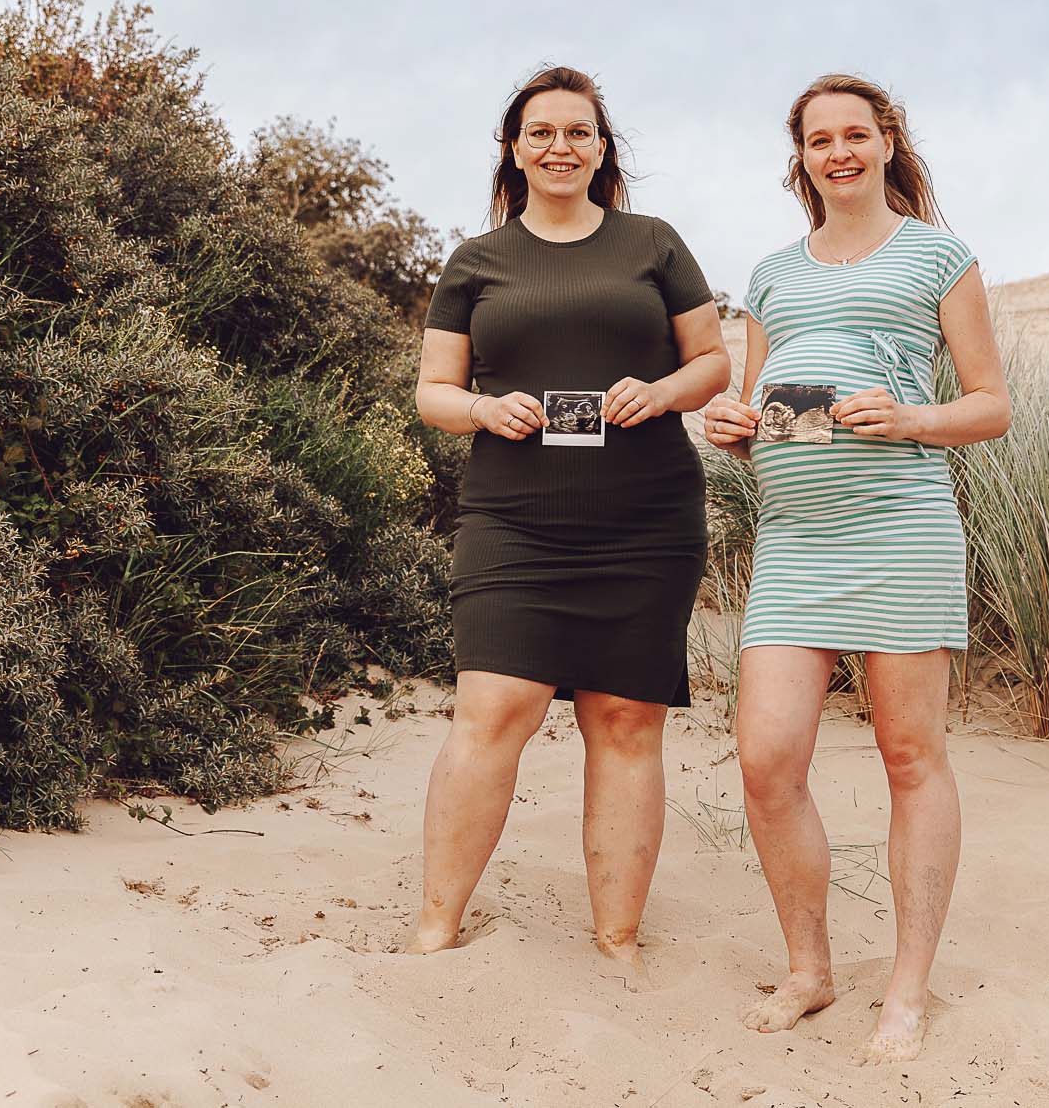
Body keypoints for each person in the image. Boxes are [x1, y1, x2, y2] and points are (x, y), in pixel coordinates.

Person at [700, 74, 1011, 1064]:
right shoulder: (771, 276)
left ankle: (907, 990)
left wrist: (913, 418)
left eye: (853, 135)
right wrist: (730, 426)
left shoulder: (938, 255)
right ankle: (809, 970)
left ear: (884, 143)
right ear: (800, 158)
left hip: (900, 529)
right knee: (766, 760)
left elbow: (990, 404)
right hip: (793, 542)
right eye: (817, 140)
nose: (836, 152)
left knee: (909, 759)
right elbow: (757, 411)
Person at [408, 66, 730, 973]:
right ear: (513, 149)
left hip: (646, 520)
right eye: (540, 132)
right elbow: (434, 389)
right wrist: (483, 410)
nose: (560, 146)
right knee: (491, 709)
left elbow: (712, 364)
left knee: (626, 720)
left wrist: (661, 388)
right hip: (513, 522)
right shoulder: (476, 260)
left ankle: (617, 940)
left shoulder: (653, 244)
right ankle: (435, 927)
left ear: (602, 149)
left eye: (578, 132)